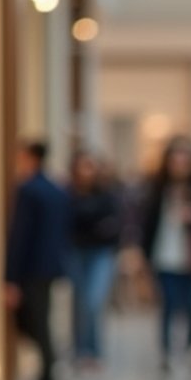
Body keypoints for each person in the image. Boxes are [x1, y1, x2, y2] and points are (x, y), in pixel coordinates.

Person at [140, 136, 191, 372]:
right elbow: (146, 223)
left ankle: (190, 350)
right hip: (163, 257)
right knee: (167, 305)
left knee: (190, 306)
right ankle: (166, 353)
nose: (180, 162)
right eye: (175, 157)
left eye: (184, 157)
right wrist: (143, 254)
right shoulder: (157, 188)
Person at [4, 140, 70, 380]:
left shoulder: (29, 190)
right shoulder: (56, 189)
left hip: (31, 268)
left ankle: (49, 376)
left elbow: (20, 236)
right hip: (50, 266)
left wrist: (10, 277)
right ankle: (49, 372)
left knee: (35, 322)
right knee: (40, 321)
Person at [67, 151, 122, 368]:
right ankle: (80, 350)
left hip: (100, 253)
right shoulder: (69, 195)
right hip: (76, 252)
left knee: (93, 301)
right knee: (80, 302)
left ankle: (94, 350)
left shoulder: (106, 195)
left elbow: (114, 226)